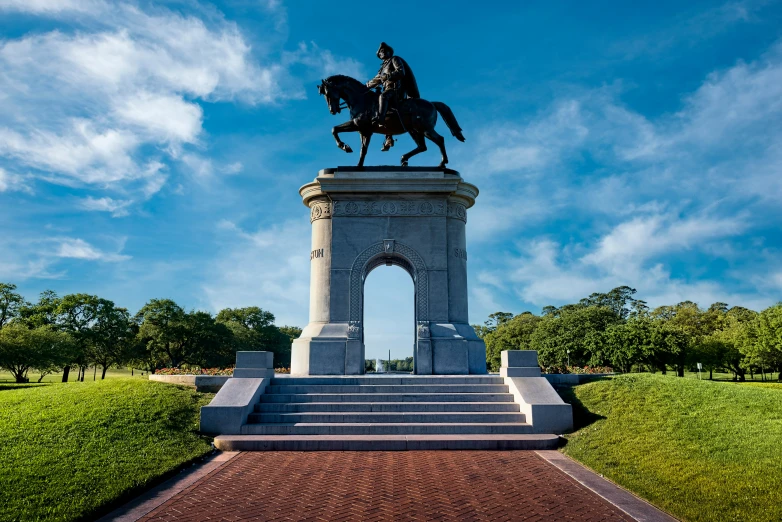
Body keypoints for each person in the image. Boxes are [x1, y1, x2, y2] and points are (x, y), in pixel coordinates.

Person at [365, 42, 419, 151]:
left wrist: (388, 76)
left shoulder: (395, 59)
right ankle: (388, 137)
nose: (382, 52)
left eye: (384, 51)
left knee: (383, 97)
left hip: (396, 90)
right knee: (375, 103)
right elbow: (376, 80)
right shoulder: (382, 68)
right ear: (379, 56)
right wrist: (365, 87)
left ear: (389, 52)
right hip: (387, 90)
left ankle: (380, 121)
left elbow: (401, 72)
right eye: (380, 52)